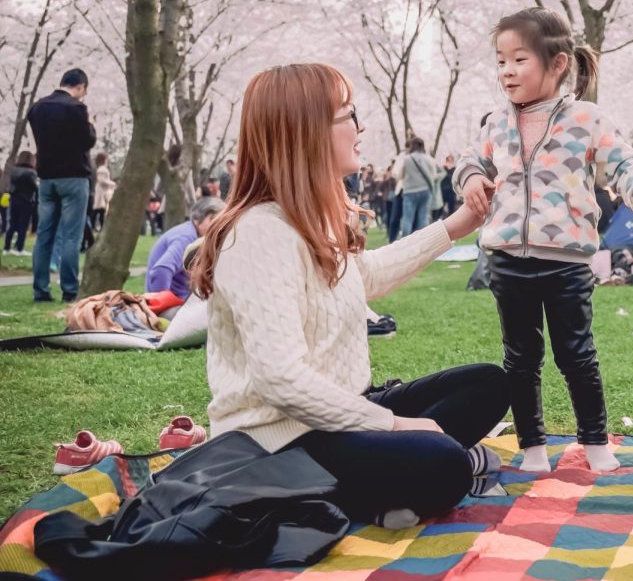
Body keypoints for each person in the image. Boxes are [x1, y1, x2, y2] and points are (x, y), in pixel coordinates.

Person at [190, 63, 509, 528]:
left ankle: (380, 489)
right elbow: (280, 380)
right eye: (349, 115)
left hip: (339, 413)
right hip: (278, 440)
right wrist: (394, 425)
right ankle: (337, 498)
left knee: (488, 384)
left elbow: (367, 277)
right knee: (443, 461)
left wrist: (459, 225)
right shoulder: (258, 235)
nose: (361, 128)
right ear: (306, 131)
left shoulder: (310, 217)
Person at [456, 7, 633, 473]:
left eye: (519, 60)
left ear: (557, 65)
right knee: (520, 357)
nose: (507, 71)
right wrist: (471, 177)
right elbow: (468, 160)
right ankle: (533, 447)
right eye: (500, 61)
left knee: (577, 353)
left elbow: (625, 163)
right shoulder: (496, 122)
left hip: (567, 260)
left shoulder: (586, 119)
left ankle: (595, 441)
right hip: (508, 258)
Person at [28, 68, 95, 303]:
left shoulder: (37, 108)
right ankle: (69, 289)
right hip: (74, 177)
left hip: (46, 178)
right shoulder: (76, 108)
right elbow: (87, 141)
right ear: (80, 86)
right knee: (71, 236)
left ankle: (40, 289)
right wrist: (90, 124)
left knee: (44, 234)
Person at [145, 197, 226, 300]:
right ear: (197, 219)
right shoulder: (186, 238)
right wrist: (162, 303)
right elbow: (161, 270)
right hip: (175, 305)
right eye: (213, 219)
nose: (218, 226)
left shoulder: (193, 234)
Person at [396, 137, 439, 237]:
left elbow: (400, 176)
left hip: (409, 192)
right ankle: (422, 242)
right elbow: (434, 176)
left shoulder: (407, 159)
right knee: (423, 219)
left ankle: (405, 242)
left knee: (407, 219)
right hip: (425, 191)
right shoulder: (429, 159)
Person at [4, 151, 39, 255]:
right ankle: (19, 248)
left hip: (14, 199)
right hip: (26, 201)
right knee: (23, 226)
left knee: (12, 224)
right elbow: (35, 187)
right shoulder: (31, 173)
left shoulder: (14, 171)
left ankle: (6, 248)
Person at [91, 153, 116, 232]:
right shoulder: (102, 169)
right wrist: (112, 183)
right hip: (101, 192)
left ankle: (97, 226)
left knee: (99, 210)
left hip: (102, 191)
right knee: (99, 210)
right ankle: (97, 226)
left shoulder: (101, 169)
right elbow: (102, 180)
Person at [437, 155, 457, 220]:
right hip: (443, 190)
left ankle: (451, 220)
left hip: (452, 190)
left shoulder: (455, 169)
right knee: (441, 207)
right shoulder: (443, 168)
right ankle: (439, 218)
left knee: (451, 207)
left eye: (451, 159)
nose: (450, 161)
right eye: (449, 159)